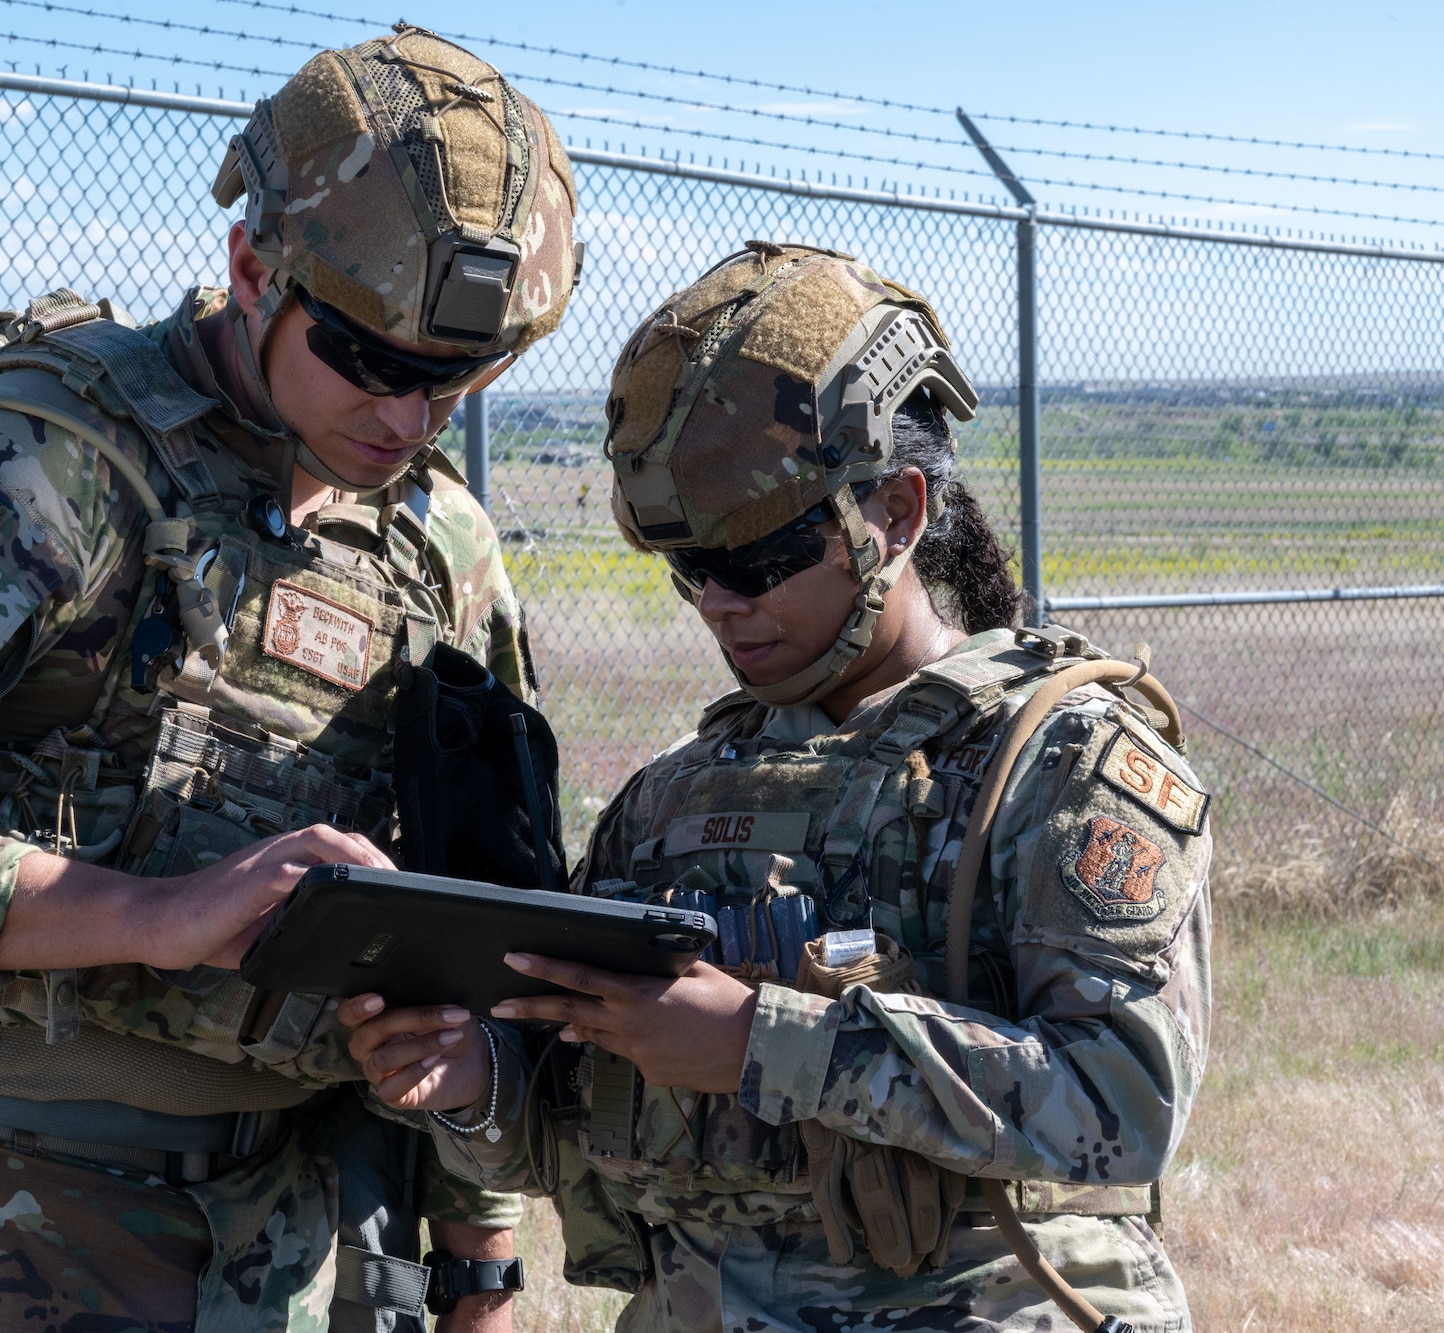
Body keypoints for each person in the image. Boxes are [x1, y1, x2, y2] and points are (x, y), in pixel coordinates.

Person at [0, 25, 581, 1333]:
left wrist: (478, 1272)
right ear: (249, 270)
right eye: (373, 364)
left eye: (456, 382)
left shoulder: (436, 543)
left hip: (281, 1246)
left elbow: (466, 911)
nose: (407, 417)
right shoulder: (47, 462)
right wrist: (149, 915)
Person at [344, 244, 1212, 1333]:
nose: (717, 604)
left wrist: (765, 1041)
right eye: (687, 568)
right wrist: (473, 1078)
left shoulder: (1058, 763)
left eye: (756, 562)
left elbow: (1119, 1101)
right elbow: (574, 1110)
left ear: (894, 511)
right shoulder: (669, 802)